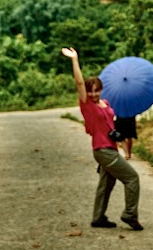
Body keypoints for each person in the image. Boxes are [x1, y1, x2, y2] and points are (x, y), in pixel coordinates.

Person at [61, 47, 143, 231]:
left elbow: (111, 125)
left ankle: (98, 218)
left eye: (96, 91)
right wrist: (75, 59)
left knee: (106, 184)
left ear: (101, 90)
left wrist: (121, 142)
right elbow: (80, 83)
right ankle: (130, 215)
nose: (93, 94)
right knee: (132, 178)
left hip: (110, 147)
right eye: (90, 91)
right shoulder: (87, 105)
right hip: (102, 150)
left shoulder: (105, 103)